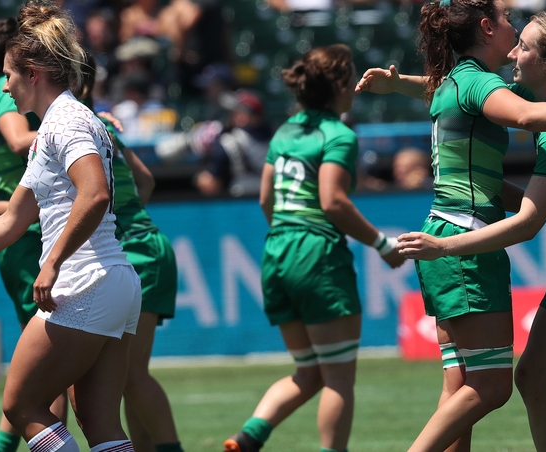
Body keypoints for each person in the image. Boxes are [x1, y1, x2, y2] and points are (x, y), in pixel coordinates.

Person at [355, 1, 546, 450]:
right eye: (512, 33)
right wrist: (401, 85)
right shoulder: (538, 100)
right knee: (532, 378)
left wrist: (446, 247)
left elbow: (530, 220)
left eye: (526, 46)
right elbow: (462, 90)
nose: (515, 50)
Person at [223, 43, 406, 452]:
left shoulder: (285, 131)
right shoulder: (339, 133)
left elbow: (266, 200)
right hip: (316, 253)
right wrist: (381, 244)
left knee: (309, 370)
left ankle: (248, 437)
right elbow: (333, 202)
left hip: (277, 251)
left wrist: (287, 242)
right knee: (339, 377)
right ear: (341, 85)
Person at [0, 2, 142, 452]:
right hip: (111, 281)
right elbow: (11, 223)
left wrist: (52, 262)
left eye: (9, 75)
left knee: (20, 408)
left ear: (34, 73)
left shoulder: (66, 122)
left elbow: (95, 194)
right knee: (99, 423)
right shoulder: (56, 127)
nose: (5, 85)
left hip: (83, 279)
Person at [77, 53, 184, 452]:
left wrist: (117, 221)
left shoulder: (70, 126)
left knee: (131, 375)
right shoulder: (100, 123)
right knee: (124, 376)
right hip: (143, 246)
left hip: (138, 250)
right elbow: (146, 179)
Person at [0, 16, 69, 452]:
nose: (7, 86)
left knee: (43, 367)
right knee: (46, 364)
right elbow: (19, 139)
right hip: (23, 234)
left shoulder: (67, 118)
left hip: (24, 229)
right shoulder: (9, 99)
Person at [194, 89, 272, 198]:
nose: (232, 116)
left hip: (243, 205)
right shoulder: (279, 138)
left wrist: (201, 179)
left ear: (244, 117)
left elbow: (211, 185)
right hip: (276, 202)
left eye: (235, 112)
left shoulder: (229, 141)